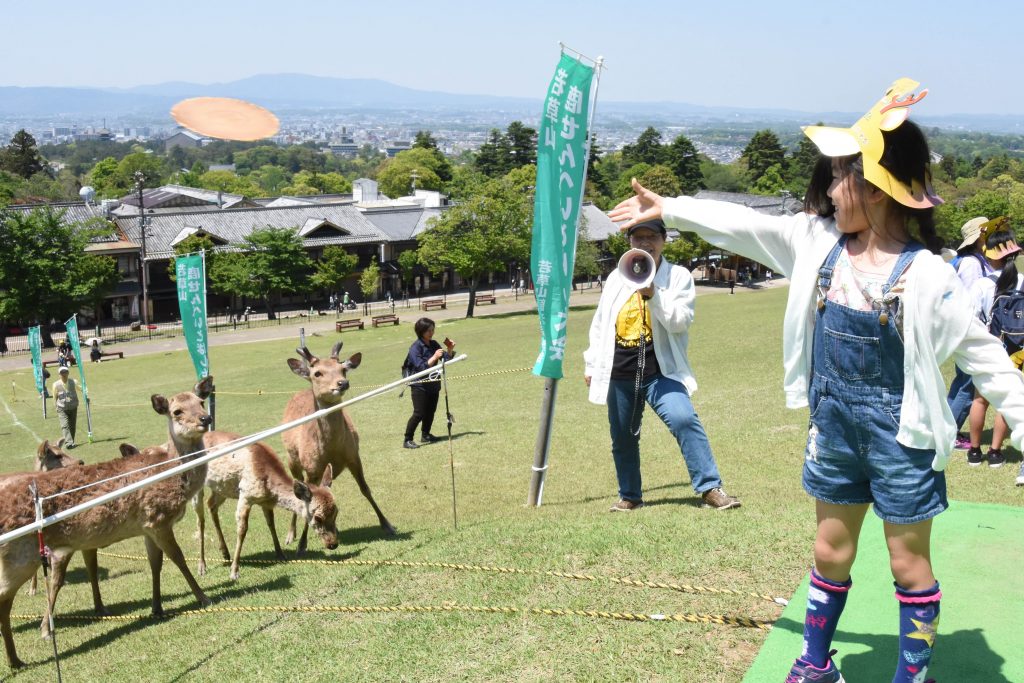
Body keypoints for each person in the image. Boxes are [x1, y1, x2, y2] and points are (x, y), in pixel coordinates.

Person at [609, 78, 1024, 683]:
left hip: (902, 438)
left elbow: (986, 359)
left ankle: (913, 674)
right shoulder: (815, 244)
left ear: (877, 189)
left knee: (909, 565)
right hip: (832, 426)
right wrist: (669, 208)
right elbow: (744, 225)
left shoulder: (931, 276)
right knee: (830, 551)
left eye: (839, 177)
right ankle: (814, 662)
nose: (829, 190)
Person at [583, 218, 741, 512]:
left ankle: (710, 488)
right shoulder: (618, 277)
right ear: (629, 242)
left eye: (651, 237)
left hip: (661, 370)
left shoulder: (678, 277)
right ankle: (630, 495)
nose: (644, 243)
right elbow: (601, 324)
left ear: (663, 240)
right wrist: (592, 364)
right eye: (637, 237)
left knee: (683, 419)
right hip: (619, 370)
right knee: (623, 436)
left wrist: (653, 294)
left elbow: (680, 322)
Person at [964, 223, 1021, 467]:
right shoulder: (1022, 282)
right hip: (1017, 349)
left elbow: (969, 317)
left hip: (988, 346)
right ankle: (996, 452)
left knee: (980, 400)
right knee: (1007, 399)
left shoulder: (983, 284)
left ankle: (975, 452)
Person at [946, 216, 995, 450]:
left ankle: (945, 428)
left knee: (961, 382)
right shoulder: (972, 264)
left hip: (959, 329)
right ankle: (950, 433)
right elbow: (972, 300)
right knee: (968, 383)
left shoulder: (966, 260)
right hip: (967, 329)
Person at [402, 317, 455, 449]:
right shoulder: (415, 348)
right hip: (419, 384)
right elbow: (421, 367)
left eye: (433, 330)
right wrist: (435, 357)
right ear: (421, 331)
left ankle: (425, 435)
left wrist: (449, 349)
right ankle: (407, 439)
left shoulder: (434, 344)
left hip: (433, 382)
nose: (431, 333)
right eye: (428, 330)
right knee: (419, 413)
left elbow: (445, 360)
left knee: (431, 411)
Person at [53, 365, 80, 448]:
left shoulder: (73, 382)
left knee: (72, 425)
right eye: (62, 373)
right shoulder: (55, 384)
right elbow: (55, 396)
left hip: (73, 407)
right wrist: (56, 406)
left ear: (68, 373)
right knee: (65, 425)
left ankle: (71, 441)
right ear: (59, 374)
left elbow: (80, 388)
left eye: (65, 372)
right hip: (62, 408)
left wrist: (86, 393)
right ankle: (68, 443)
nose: (64, 374)